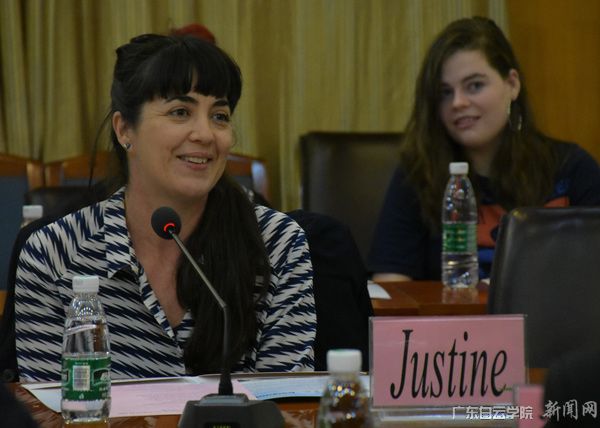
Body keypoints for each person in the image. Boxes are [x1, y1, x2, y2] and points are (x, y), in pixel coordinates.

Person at [14, 33, 316, 382]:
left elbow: (286, 401)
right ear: (125, 130)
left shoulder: (278, 245)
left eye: (219, 116)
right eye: (180, 112)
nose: (205, 134)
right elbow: (49, 405)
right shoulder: (53, 253)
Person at [369, 16, 600, 282]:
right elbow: (391, 285)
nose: (457, 102)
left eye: (475, 85)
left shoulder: (571, 168)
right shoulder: (420, 174)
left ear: (512, 85)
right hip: (450, 311)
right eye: (445, 92)